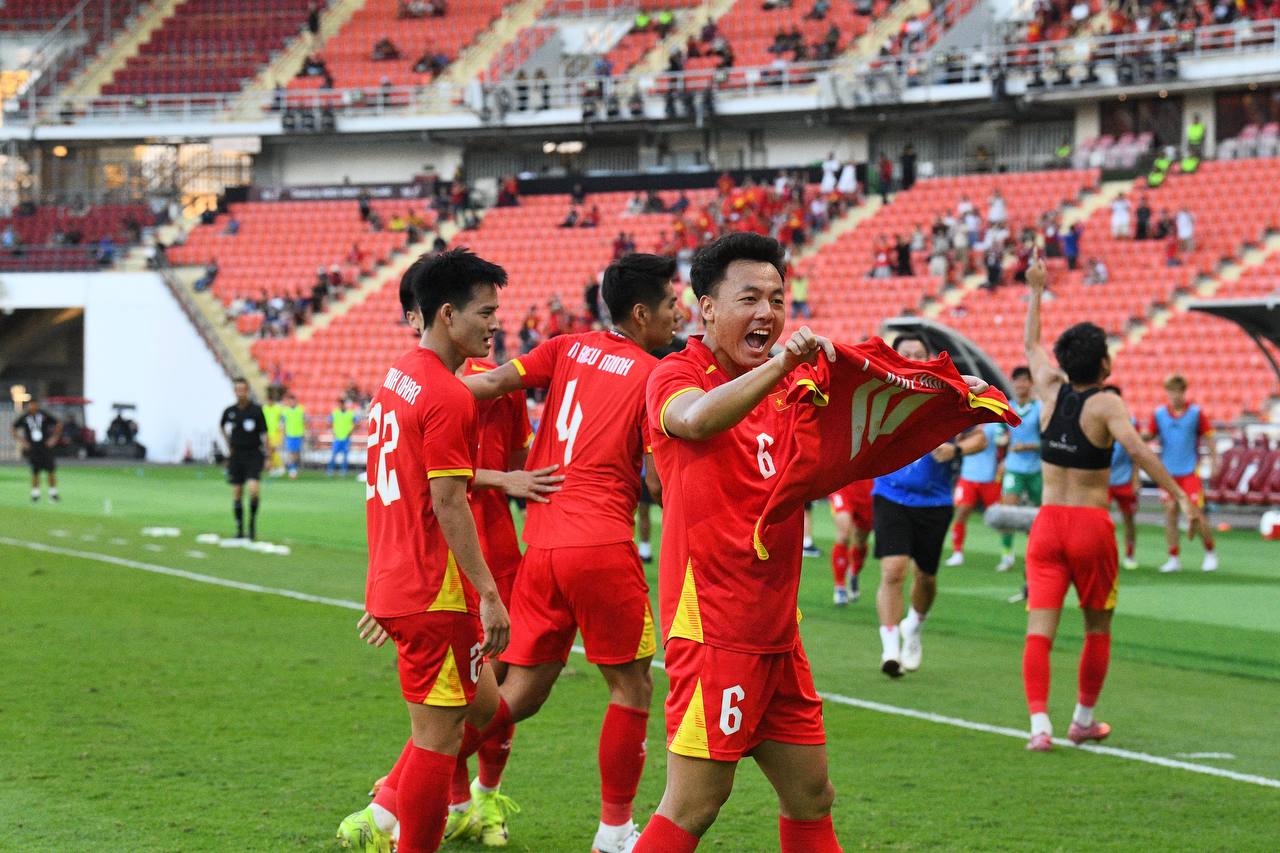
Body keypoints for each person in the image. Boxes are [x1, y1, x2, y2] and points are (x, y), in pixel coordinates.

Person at [458, 253, 679, 853]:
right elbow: (658, 487)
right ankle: (613, 833)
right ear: (641, 313)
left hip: (544, 546)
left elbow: (494, 381)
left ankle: (406, 788)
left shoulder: (566, 346)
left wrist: (422, 394)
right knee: (631, 687)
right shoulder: (656, 373)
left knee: (520, 694)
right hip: (603, 545)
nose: (680, 313)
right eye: (671, 303)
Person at [632, 233, 846, 853]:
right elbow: (696, 419)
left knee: (811, 795)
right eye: (749, 298)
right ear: (705, 309)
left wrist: (942, 399)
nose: (768, 314)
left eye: (777, 299)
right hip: (715, 628)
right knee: (695, 804)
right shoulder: (676, 373)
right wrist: (784, 364)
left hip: (777, 628)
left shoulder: (784, 380)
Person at [338, 249, 512, 853]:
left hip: (402, 583)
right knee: (436, 745)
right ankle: (393, 828)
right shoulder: (448, 395)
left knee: (491, 715)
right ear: (447, 314)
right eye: (486, 312)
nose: (495, 323)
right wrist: (489, 594)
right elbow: (447, 501)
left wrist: (390, 589)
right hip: (433, 593)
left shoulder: (399, 376)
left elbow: (406, 487)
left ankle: (407, 813)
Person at [1020, 256, 1204, 751]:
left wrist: (1036, 290)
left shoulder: (1048, 390)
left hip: (1047, 525)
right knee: (1097, 625)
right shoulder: (1106, 403)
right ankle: (1082, 719)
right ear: (1104, 363)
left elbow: (1031, 345)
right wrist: (1182, 496)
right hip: (1090, 526)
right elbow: (1140, 452)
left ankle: (1040, 726)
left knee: (1040, 630)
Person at [872, 333, 988, 677]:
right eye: (904, 353)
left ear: (928, 359)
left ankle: (914, 628)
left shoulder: (948, 395)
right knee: (893, 570)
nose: (911, 357)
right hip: (890, 494)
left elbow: (980, 437)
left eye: (917, 354)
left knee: (926, 577)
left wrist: (957, 450)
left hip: (935, 501)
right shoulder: (883, 393)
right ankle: (890, 647)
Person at [1146, 374, 1218, 572]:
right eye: (1171, 391)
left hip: (1189, 472)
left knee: (1196, 514)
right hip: (1168, 473)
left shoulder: (1195, 413)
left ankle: (1210, 552)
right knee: (1170, 512)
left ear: (1183, 392)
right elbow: (1149, 436)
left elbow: (1209, 438)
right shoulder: (1159, 414)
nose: (1174, 395)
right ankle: (1174, 557)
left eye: (1178, 391)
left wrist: (1214, 461)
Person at [999, 365, 1043, 576]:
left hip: (1035, 469)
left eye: (1025, 380)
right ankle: (1007, 555)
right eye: (1017, 380)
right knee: (1008, 510)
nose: (1020, 384)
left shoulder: (1040, 409)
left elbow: (1048, 440)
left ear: (1031, 383)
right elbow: (1001, 433)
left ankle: (1036, 555)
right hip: (1014, 467)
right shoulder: (1008, 406)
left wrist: (1028, 446)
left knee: (1038, 515)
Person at [944, 420, 1006, 567]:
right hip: (968, 476)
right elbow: (955, 443)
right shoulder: (965, 423)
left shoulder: (996, 424)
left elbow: (1003, 444)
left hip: (990, 478)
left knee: (1002, 519)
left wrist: (1004, 461)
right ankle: (957, 553)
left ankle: (1007, 555)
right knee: (961, 513)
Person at [219, 378, 267, 540]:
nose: (241, 392)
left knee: (253, 489)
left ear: (247, 391)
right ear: (235, 391)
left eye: (243, 389)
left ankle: (252, 524)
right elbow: (221, 426)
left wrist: (268, 454)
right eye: (238, 389)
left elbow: (264, 433)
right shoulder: (230, 411)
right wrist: (228, 445)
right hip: (236, 455)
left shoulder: (256, 410)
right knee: (237, 492)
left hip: (253, 454)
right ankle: (239, 529)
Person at [1104, 385, 1141, 570]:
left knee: (1129, 519)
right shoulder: (1097, 420)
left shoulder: (1130, 422)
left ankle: (1130, 553)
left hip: (1124, 479)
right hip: (1102, 480)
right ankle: (1104, 555)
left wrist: (1135, 478)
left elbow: (1135, 452)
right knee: (1101, 520)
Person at [829, 480, 872, 604]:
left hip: (867, 488)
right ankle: (840, 587)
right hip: (842, 485)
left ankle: (853, 572)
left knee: (860, 540)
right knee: (843, 535)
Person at [13, 396, 62, 503]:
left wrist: (54, 438)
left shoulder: (44, 415)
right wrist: (22, 442)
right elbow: (13, 427)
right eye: (31, 404)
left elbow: (58, 423)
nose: (33, 406)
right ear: (28, 406)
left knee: (51, 471)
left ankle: (53, 493)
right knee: (35, 472)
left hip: (45, 447)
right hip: (33, 448)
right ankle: (35, 494)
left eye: (35, 404)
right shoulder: (25, 417)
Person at [327, 398, 359, 476]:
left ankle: (343, 471)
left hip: (346, 437)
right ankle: (330, 470)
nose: (341, 405)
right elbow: (329, 422)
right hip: (337, 437)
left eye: (342, 404)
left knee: (345, 455)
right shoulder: (335, 413)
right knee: (334, 454)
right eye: (340, 404)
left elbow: (357, 422)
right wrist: (333, 431)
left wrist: (351, 431)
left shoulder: (350, 413)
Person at [280, 392, 307, 479]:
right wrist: (283, 433)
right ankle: (292, 470)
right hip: (289, 435)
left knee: (296, 454)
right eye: (290, 401)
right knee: (291, 453)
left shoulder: (301, 410)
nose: (292, 403)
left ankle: (293, 468)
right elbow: (282, 423)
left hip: (298, 434)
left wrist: (305, 432)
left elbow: (305, 421)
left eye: (293, 401)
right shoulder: (285, 411)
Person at [261, 387, 285, 477]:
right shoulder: (264, 408)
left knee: (272, 450)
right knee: (270, 451)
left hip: (275, 433)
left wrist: (281, 429)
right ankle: (274, 468)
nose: (269, 402)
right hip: (267, 433)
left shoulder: (278, 408)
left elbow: (282, 420)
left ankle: (278, 467)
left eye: (270, 400)